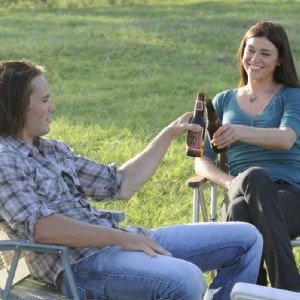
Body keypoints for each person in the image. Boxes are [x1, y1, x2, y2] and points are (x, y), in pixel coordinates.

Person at [0, 59, 263, 300]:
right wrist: (119, 238)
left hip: (119, 243)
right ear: (17, 106)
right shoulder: (5, 158)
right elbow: (41, 229)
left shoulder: (51, 150)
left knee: (247, 238)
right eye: (44, 100)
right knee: (185, 279)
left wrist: (168, 135)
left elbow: (121, 183)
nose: (52, 107)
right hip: (79, 266)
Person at [195, 20, 300, 292]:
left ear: (279, 60)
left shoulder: (292, 96)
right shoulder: (222, 101)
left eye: (265, 53)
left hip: (290, 196)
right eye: (250, 50)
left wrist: (239, 132)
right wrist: (232, 182)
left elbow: (287, 138)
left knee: (240, 208)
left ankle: (247, 293)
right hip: (237, 188)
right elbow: (202, 159)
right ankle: (288, 291)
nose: (255, 59)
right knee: (248, 183)